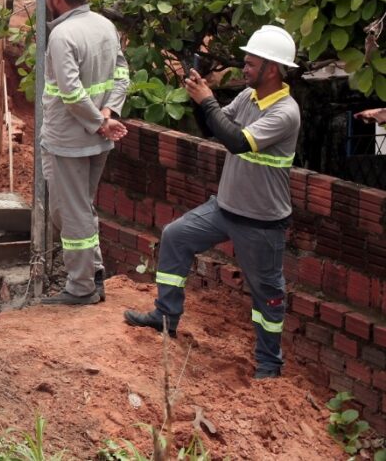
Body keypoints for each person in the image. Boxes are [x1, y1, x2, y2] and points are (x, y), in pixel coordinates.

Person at [125, 25, 302, 379]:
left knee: (267, 293)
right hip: (225, 207)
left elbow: (237, 141)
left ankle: (269, 365)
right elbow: (215, 128)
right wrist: (198, 101)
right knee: (176, 235)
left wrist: (208, 100)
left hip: (261, 221)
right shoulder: (249, 98)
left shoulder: (285, 112)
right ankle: (166, 316)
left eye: (251, 63)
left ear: (271, 68)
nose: (244, 67)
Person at [33, 0, 129, 306]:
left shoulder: (62, 35)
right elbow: (122, 75)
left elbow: (71, 92)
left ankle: (81, 287)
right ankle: (95, 272)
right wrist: (108, 113)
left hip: (70, 140)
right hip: (97, 139)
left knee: (70, 212)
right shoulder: (104, 26)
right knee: (79, 207)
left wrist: (100, 121)